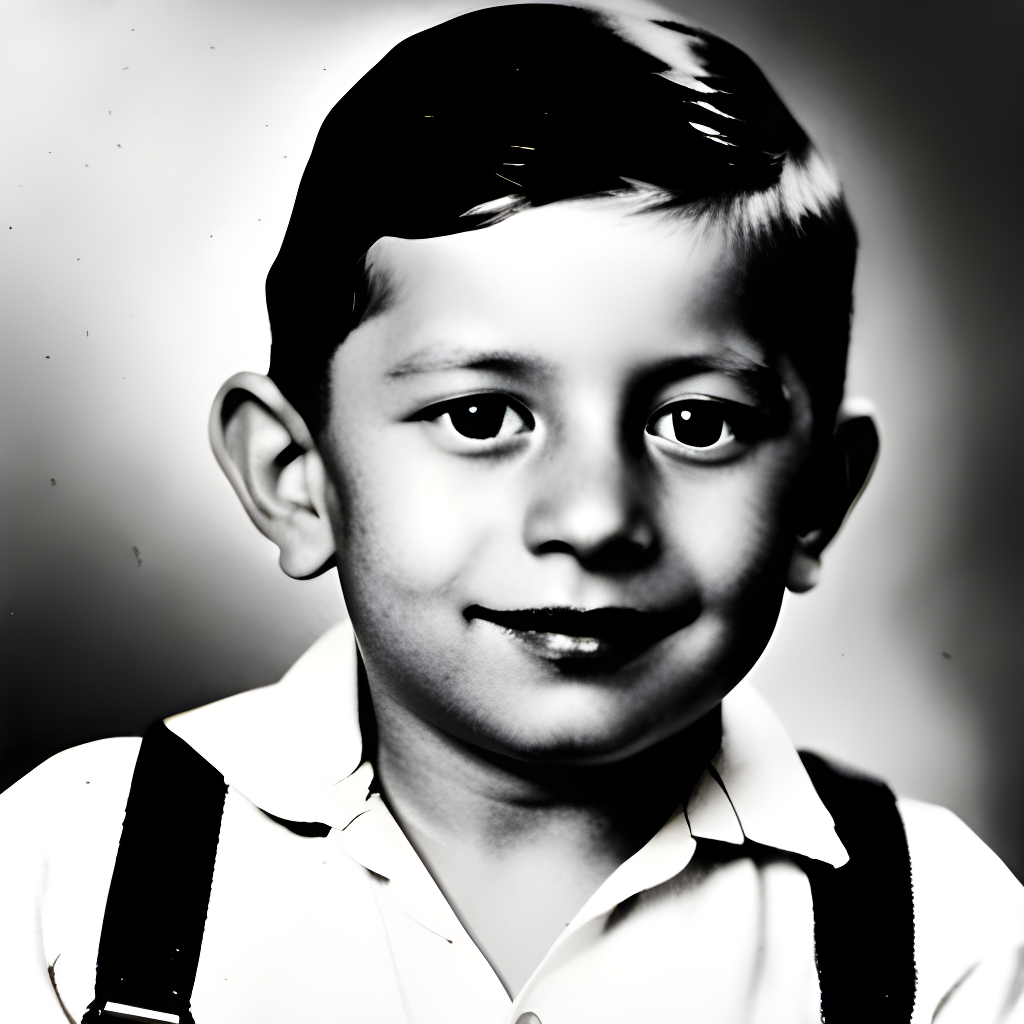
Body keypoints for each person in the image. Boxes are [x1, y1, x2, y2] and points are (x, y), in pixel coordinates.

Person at [2, 5, 1022, 1023]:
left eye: (697, 424)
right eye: (482, 416)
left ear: (818, 497)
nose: (593, 518)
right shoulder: (69, 877)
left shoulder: (943, 934)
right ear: (293, 474)